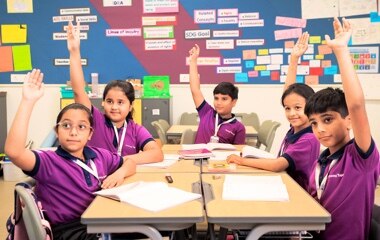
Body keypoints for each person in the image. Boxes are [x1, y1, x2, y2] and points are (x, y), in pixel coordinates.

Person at [4, 69, 136, 239]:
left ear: (90, 134)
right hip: (71, 231)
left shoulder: (99, 155)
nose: (73, 132)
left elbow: (129, 162)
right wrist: (27, 101)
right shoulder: (48, 162)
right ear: (57, 132)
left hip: (99, 220)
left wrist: (120, 173)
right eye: (66, 125)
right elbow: (14, 152)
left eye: (81, 126)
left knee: (164, 227)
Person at [304, 18, 379, 240]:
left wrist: (341, 51)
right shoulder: (321, 162)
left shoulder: (360, 158)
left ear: (348, 121)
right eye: (314, 123)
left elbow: (356, 105)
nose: (319, 129)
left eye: (328, 120)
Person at [226, 32, 320, 191]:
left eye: (298, 108)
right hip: (284, 184)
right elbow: (288, 94)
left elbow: (277, 165)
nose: (292, 113)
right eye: (287, 108)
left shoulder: (308, 138)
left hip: (298, 194)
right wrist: (293, 59)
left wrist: (241, 161)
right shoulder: (297, 128)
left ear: (311, 108)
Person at [67, 21, 163, 164]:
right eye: (110, 101)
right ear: (103, 102)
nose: (114, 107)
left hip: (123, 179)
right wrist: (74, 52)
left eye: (121, 102)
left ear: (130, 106)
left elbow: (157, 154)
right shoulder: (95, 121)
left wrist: (118, 161)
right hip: (95, 180)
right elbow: (78, 91)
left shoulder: (135, 129)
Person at [188, 44, 246, 144]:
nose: (219, 102)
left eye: (224, 99)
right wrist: (193, 61)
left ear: (234, 102)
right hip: (199, 158)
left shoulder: (238, 128)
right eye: (216, 98)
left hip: (221, 160)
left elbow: (237, 153)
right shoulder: (207, 112)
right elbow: (195, 90)